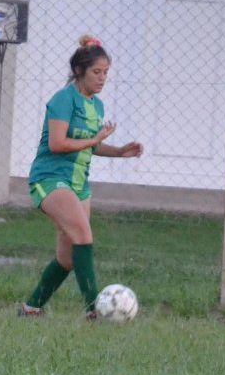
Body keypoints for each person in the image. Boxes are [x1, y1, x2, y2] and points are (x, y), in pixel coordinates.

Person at [19, 35, 143, 318]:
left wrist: (119, 150)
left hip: (78, 184)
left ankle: (31, 308)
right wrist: (94, 140)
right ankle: (94, 310)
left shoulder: (96, 105)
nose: (102, 79)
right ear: (79, 71)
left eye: (106, 73)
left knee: (67, 258)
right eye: (96, 72)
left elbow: (92, 143)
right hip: (50, 178)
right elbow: (58, 144)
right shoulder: (63, 100)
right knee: (84, 235)